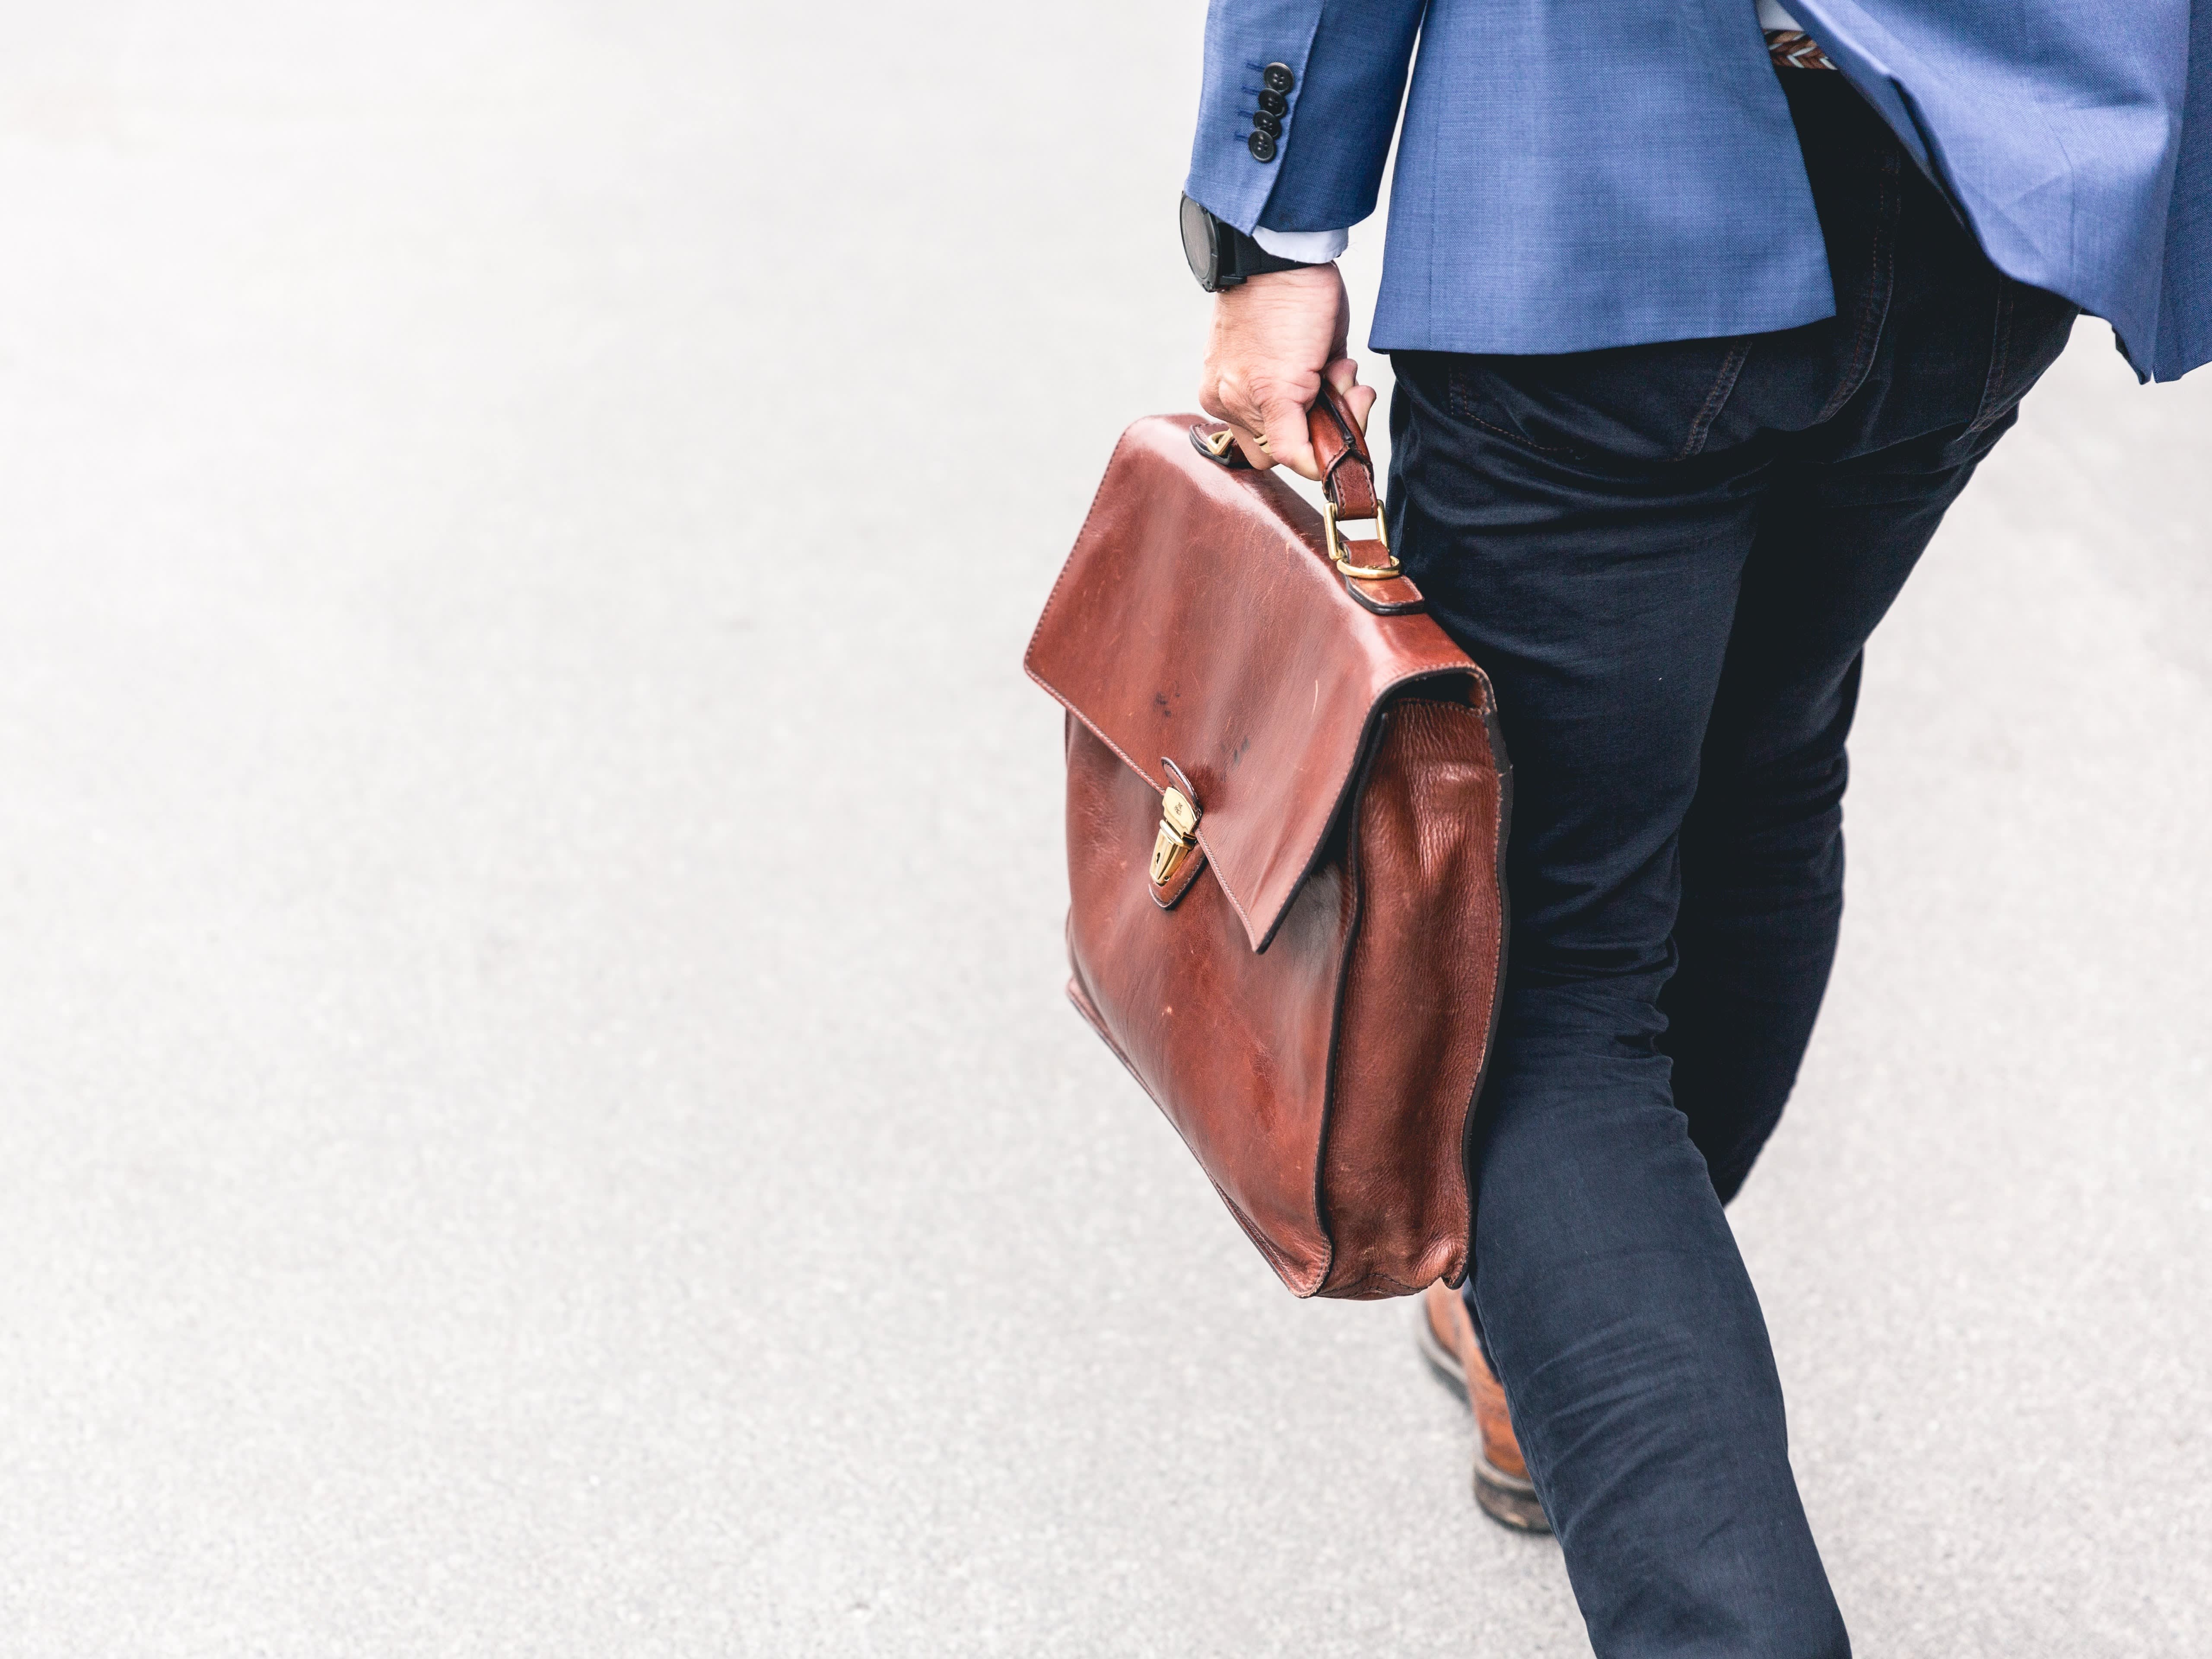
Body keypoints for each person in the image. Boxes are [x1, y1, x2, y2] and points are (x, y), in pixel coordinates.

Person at [1177, 3, 2209, 1654]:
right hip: (1990, 197)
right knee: (1765, 763)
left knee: (1540, 982)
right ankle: (1566, 1331)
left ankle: (1632, 1432)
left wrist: (1274, 220)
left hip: (1603, 183)